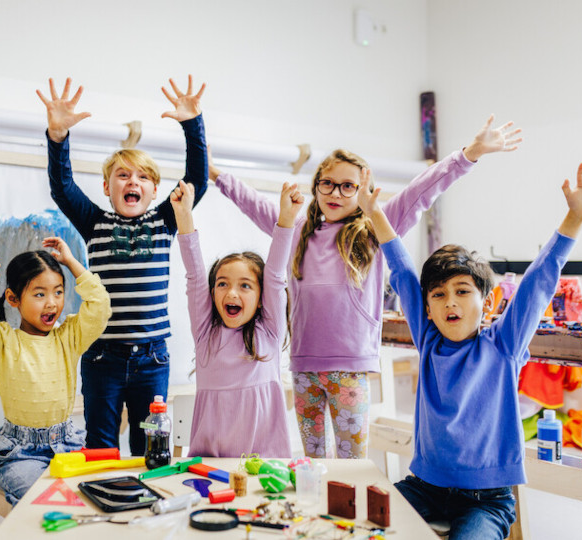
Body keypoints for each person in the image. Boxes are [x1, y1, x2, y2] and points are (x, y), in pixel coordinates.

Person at [210, 115, 522, 459]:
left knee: (351, 465)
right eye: (327, 183)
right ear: (316, 186)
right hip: (303, 369)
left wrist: (469, 154)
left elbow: (422, 190)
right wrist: (212, 171)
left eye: (348, 186)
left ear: (362, 190)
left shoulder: (374, 227)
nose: (336, 193)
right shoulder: (296, 231)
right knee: (312, 462)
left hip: (351, 369)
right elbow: (251, 201)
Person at [357, 159, 582, 538]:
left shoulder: (503, 344)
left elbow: (539, 281)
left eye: (462, 292)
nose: (450, 302)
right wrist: (374, 214)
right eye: (438, 295)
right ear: (428, 309)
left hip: (486, 500)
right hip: (423, 487)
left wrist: (575, 219)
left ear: (487, 304)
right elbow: (404, 272)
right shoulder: (428, 340)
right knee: (363, 527)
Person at [37, 76, 208, 455]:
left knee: (150, 445)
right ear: (107, 187)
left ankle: (143, 511)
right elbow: (62, 187)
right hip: (103, 356)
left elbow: (197, 181)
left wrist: (192, 124)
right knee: (100, 445)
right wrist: (57, 136)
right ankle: (104, 507)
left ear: (153, 189)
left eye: (144, 177)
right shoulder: (95, 222)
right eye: (123, 175)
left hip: (153, 357)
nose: (134, 181)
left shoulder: (164, 220)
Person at [0, 237, 112, 505]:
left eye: (58, 292)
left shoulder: (69, 338)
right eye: (40, 294)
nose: (52, 303)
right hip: (19, 454)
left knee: (97, 499)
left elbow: (100, 306)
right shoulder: (1, 342)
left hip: (68, 445)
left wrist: (71, 263)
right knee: (51, 504)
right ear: (13, 298)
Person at [170, 178, 303, 457]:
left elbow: (276, 276)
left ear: (261, 296)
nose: (232, 292)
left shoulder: (269, 331)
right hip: (209, 463)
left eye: (245, 285)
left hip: (266, 463)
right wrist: (184, 216)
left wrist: (286, 219)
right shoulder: (206, 332)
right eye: (222, 283)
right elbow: (195, 276)